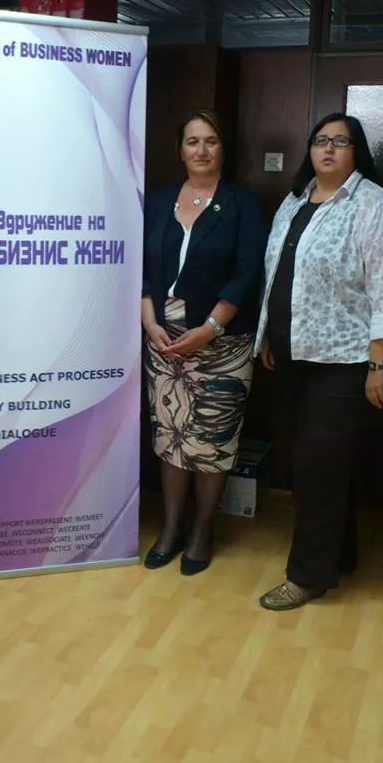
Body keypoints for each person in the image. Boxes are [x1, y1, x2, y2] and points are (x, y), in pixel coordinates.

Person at [256, 112, 383, 611]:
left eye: (340, 142)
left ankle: (306, 576)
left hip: (344, 360)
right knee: (321, 465)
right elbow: (277, 273)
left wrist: (378, 364)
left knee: (317, 468)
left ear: (355, 151)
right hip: (292, 354)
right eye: (320, 140)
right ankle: (339, 555)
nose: (328, 149)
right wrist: (268, 334)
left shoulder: (373, 205)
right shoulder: (294, 201)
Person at [141, 109, 267, 575]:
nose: (201, 149)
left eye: (210, 140)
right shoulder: (157, 200)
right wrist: (149, 321)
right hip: (164, 340)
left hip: (223, 343)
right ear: (180, 149)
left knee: (211, 441)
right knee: (170, 435)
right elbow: (142, 266)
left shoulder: (243, 205)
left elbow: (247, 273)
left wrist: (210, 328)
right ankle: (171, 527)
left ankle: (201, 531)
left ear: (223, 148)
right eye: (192, 141)